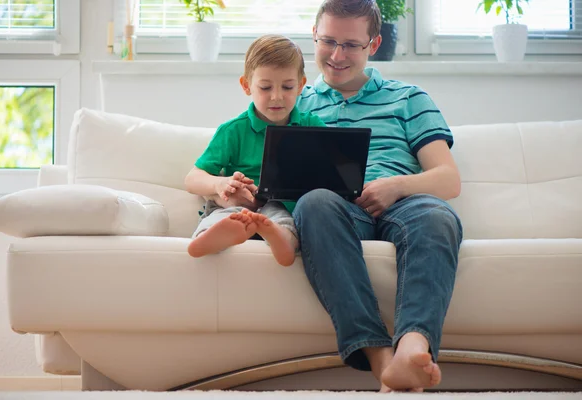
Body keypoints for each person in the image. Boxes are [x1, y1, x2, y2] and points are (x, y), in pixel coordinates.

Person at [293, 0, 463, 392]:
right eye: (328, 41)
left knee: (438, 217)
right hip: (335, 213)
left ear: (373, 44)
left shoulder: (408, 98)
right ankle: (381, 360)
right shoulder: (294, 101)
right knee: (314, 202)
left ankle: (413, 347)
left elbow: (448, 179)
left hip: (405, 204)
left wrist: (396, 186)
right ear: (314, 38)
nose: (337, 55)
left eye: (351, 45)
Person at [184, 34, 327, 267]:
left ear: (301, 85)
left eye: (288, 87)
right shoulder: (233, 130)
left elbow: (330, 173)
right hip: (237, 203)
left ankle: (278, 238)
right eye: (265, 87)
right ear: (246, 85)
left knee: (284, 220)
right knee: (223, 215)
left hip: (283, 204)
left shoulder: (313, 126)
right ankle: (210, 237)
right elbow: (192, 179)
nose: (277, 96)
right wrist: (220, 184)